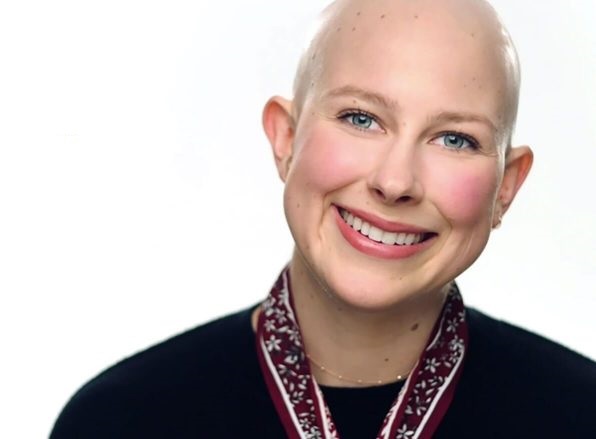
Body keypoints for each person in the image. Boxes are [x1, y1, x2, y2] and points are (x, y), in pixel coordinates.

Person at [50, 0, 596, 437]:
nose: (395, 181)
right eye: (361, 118)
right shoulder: (120, 420)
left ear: (506, 187)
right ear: (285, 138)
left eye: (455, 139)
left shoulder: (578, 414)